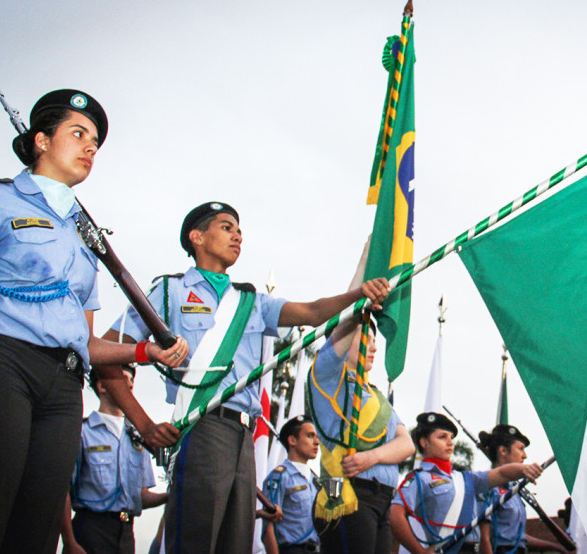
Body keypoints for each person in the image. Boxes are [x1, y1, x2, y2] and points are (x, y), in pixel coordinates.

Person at [0, 88, 188, 554]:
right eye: (78, 134)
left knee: (36, 528)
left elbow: (84, 339)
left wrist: (144, 352)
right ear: (40, 140)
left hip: (64, 388)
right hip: (0, 365)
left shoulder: (86, 235)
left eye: (95, 141)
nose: (90, 147)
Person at [103, 201, 391, 553]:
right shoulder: (169, 291)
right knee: (196, 541)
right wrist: (144, 424)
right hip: (201, 428)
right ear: (196, 237)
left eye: (239, 230)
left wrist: (357, 295)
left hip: (244, 435)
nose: (237, 235)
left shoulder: (250, 301)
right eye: (226, 227)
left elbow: (313, 312)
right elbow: (105, 352)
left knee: (235, 543)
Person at [306, 253, 415, 554]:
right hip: (346, 494)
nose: (374, 347)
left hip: (381, 498)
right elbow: (343, 320)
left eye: (375, 341)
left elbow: (406, 444)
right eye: (365, 337)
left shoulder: (377, 396)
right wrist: (368, 258)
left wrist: (372, 457)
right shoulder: (328, 377)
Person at [390, 413, 543, 554]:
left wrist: (524, 469)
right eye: (442, 437)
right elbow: (395, 515)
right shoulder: (419, 479)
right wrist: (419, 552)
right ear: (424, 442)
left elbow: (501, 473)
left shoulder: (465, 478)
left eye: (451, 437)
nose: (450, 442)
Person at [61, 364, 167, 554]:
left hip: (126, 533)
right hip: (90, 530)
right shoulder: (82, 432)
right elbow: (62, 492)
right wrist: (69, 541)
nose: (130, 384)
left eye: (132, 380)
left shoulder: (137, 438)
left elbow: (140, 496)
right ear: (102, 386)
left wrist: (169, 496)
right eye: (123, 378)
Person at [477, 425, 569, 554]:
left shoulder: (514, 490)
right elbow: (484, 538)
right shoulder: (489, 488)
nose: (525, 456)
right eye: (520, 449)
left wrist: (556, 547)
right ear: (503, 451)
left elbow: (517, 537)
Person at [261, 415, 321, 554]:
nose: (317, 442)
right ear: (292, 440)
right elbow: (268, 526)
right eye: (310, 436)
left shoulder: (316, 481)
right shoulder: (280, 476)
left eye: (317, 437)